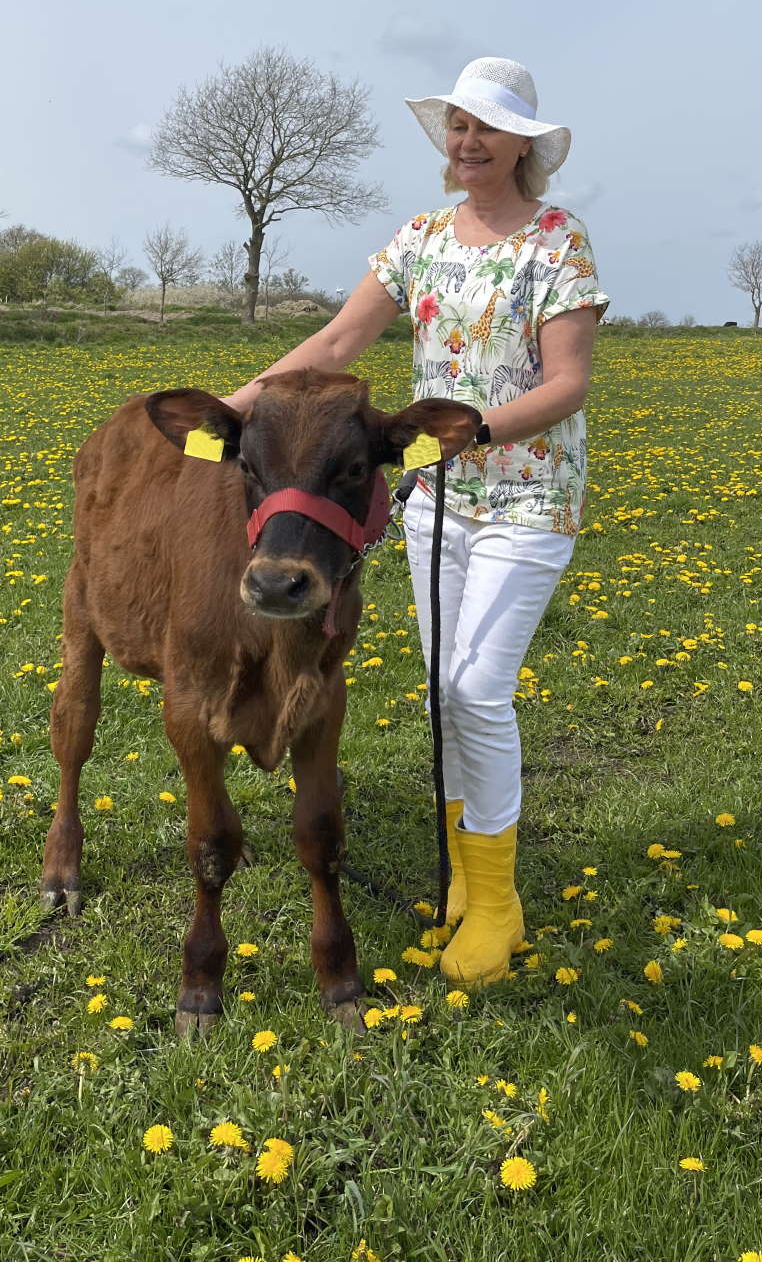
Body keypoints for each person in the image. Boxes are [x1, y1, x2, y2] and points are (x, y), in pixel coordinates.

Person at [223, 56, 609, 987]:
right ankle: (460, 880)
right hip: (437, 499)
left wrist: (466, 433)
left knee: (478, 687)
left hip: (527, 494)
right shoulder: (420, 238)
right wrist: (238, 410)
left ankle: (499, 900)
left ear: (523, 143)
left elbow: (567, 383)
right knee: (440, 688)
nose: (466, 142)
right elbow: (337, 341)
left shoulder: (557, 240)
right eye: (456, 126)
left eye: (485, 127)